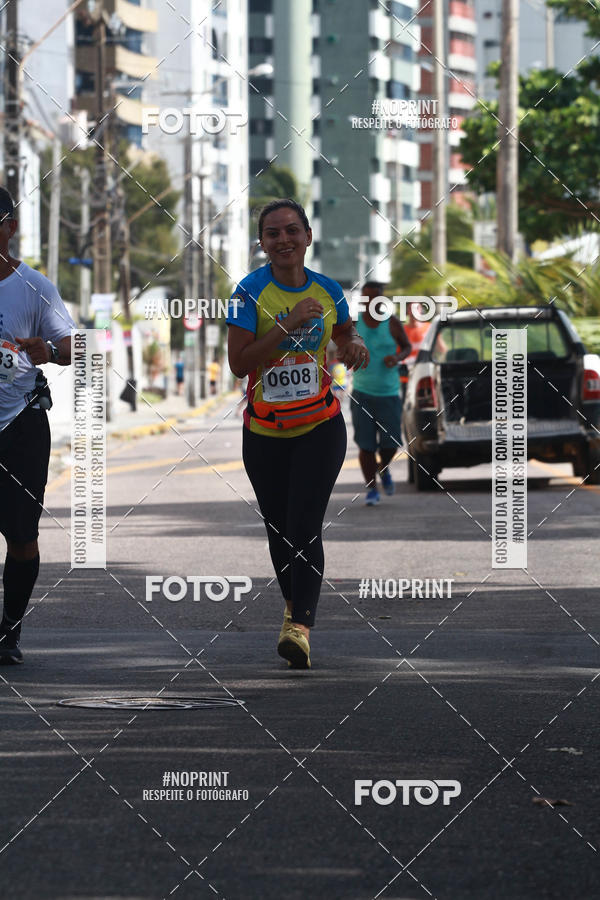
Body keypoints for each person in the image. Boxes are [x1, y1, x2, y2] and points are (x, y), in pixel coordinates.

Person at [227, 199, 368, 669]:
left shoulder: (328, 290)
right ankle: (293, 609)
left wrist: (354, 344)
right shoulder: (248, 293)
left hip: (320, 426)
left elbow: (344, 334)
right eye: (273, 233)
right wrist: (287, 325)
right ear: (262, 243)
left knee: (304, 524)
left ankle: (300, 627)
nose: (283, 240)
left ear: (308, 236)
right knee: (279, 529)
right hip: (264, 432)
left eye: (292, 230)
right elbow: (239, 363)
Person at [0, 187, 75, 664]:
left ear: (10, 227)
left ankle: (9, 631)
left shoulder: (35, 287)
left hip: (20, 425)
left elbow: (77, 346)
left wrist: (50, 350)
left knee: (22, 536)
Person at [351, 281, 411, 506]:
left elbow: (407, 347)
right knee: (366, 445)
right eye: (367, 297)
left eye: (375, 297)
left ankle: (383, 468)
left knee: (391, 443)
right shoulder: (355, 324)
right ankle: (372, 489)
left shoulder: (392, 322)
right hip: (362, 393)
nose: (371, 302)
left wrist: (396, 357)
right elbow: (343, 345)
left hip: (389, 393)